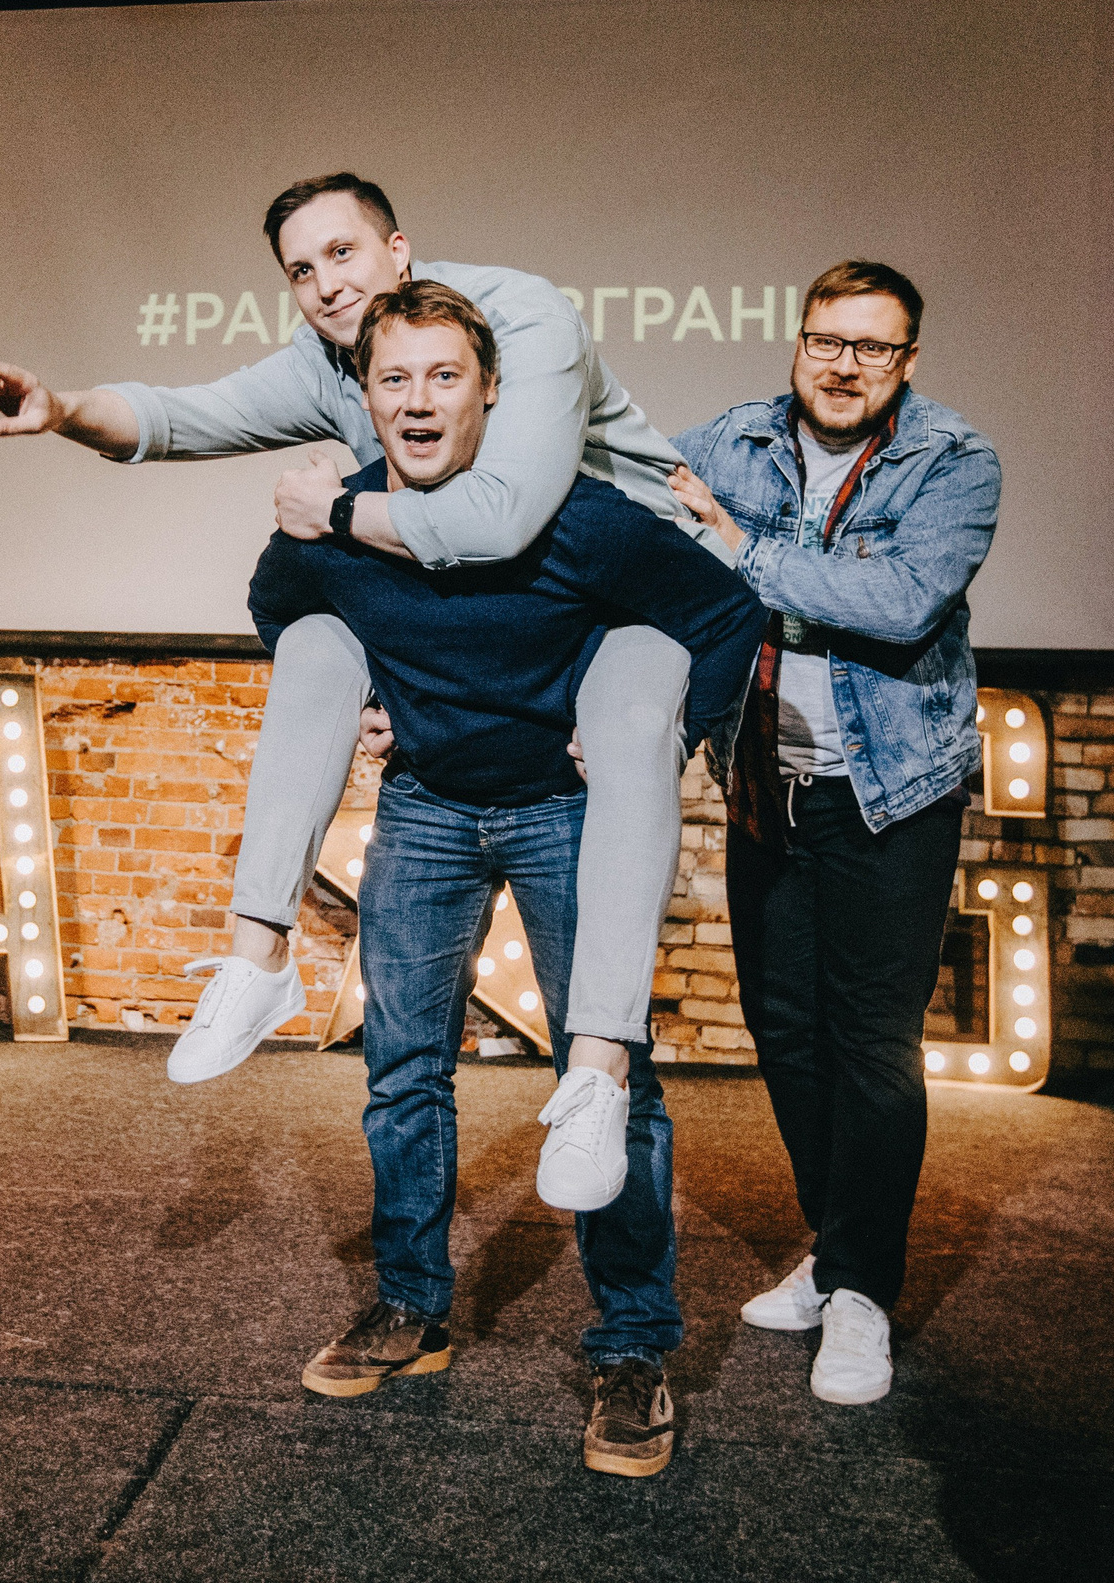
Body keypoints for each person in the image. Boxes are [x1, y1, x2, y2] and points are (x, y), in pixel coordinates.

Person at [0, 173, 701, 1208]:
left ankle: (604, 1099)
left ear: (399, 250)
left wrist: (338, 509)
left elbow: (501, 519)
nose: (324, 284)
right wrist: (62, 410)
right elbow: (185, 415)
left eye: (342, 253)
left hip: (622, 605)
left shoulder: (521, 319)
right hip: (468, 695)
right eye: (300, 270)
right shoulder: (333, 358)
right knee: (315, 644)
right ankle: (257, 953)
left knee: (610, 1049)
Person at [248, 280, 764, 1477]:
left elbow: (726, 614)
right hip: (424, 805)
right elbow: (277, 608)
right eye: (394, 378)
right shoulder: (337, 518)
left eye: (445, 375)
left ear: (490, 393)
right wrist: (358, 698)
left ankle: (632, 1346)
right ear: (367, 396)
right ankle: (410, 1305)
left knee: (609, 1081)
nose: (418, 400)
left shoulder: (579, 516)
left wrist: (665, 735)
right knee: (401, 1070)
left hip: (564, 815)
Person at [666, 260, 1001, 1408]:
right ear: (797, 339)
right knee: (786, 1029)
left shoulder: (953, 460)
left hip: (889, 793)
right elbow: (618, 494)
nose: (844, 364)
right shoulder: (731, 442)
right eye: (826, 339)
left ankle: (860, 1290)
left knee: (873, 1044)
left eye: (872, 346)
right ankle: (835, 1243)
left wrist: (740, 553)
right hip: (767, 786)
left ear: (906, 359)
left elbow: (901, 603)